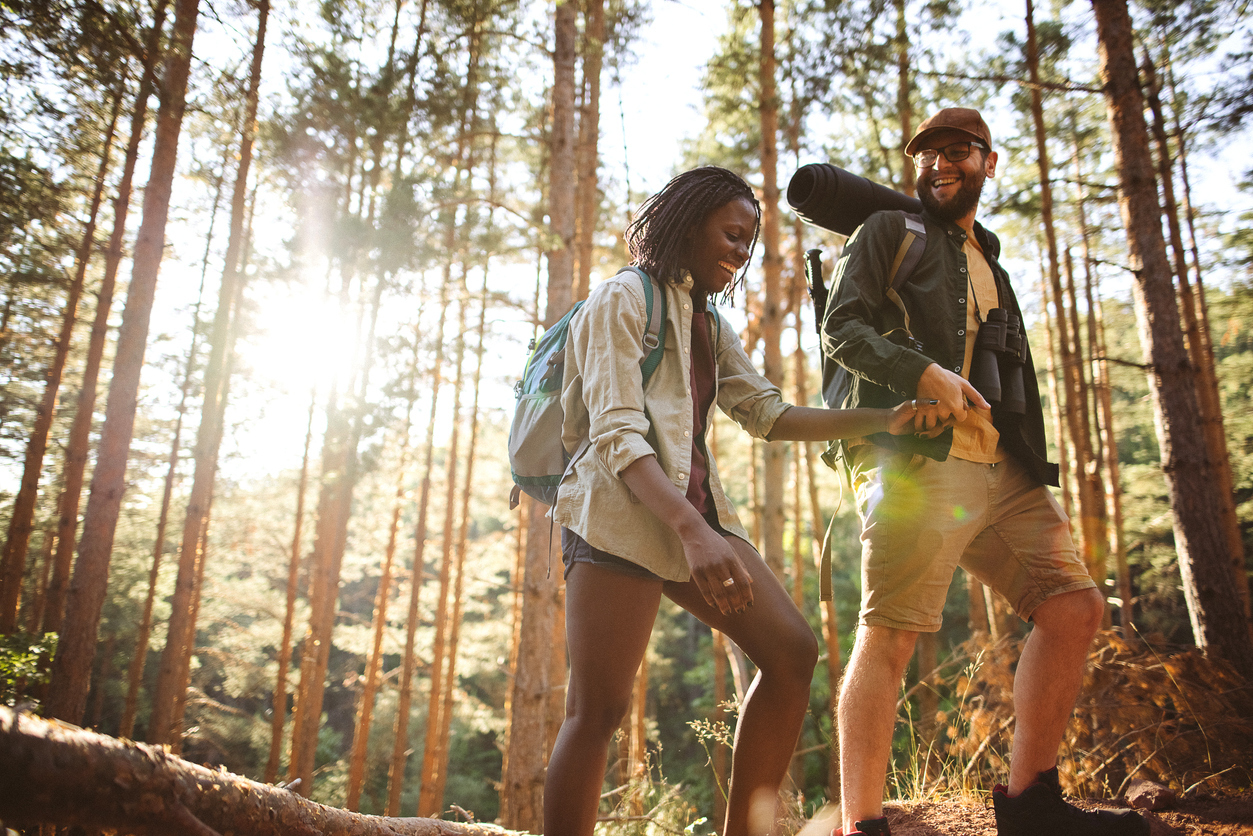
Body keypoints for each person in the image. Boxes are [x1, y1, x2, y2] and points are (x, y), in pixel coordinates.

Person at [545, 165, 920, 836]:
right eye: (731, 234)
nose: (740, 252)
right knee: (597, 711)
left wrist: (883, 420)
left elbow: (768, 414)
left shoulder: (704, 322)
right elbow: (616, 434)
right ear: (687, 225)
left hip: (695, 519)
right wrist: (692, 531)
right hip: (614, 518)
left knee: (790, 653)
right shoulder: (619, 299)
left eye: (748, 242)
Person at [819, 108, 1149, 836]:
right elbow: (839, 328)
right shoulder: (886, 233)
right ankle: (862, 826)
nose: (939, 163)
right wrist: (919, 372)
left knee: (1071, 606)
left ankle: (1031, 805)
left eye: (957, 151)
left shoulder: (989, 260)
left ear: (988, 163)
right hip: (917, 461)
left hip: (1001, 464)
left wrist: (1028, 452)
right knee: (891, 632)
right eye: (927, 154)